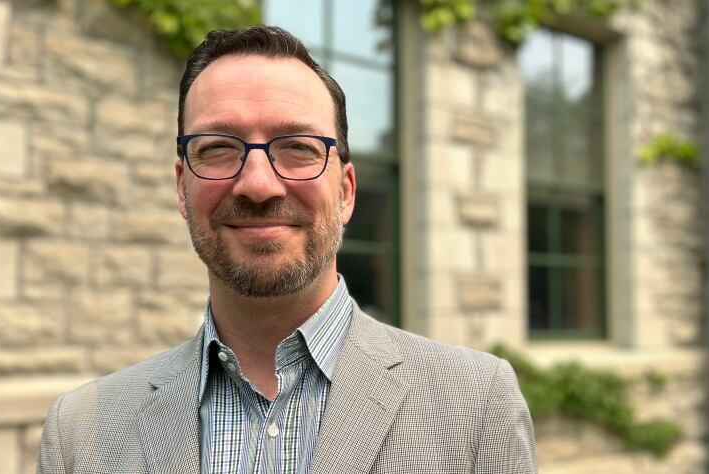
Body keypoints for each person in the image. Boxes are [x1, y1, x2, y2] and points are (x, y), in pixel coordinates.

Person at [37, 26, 537, 474]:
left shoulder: (475, 403)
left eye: (298, 148)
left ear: (345, 191)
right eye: (217, 148)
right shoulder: (79, 434)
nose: (258, 185)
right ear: (182, 187)